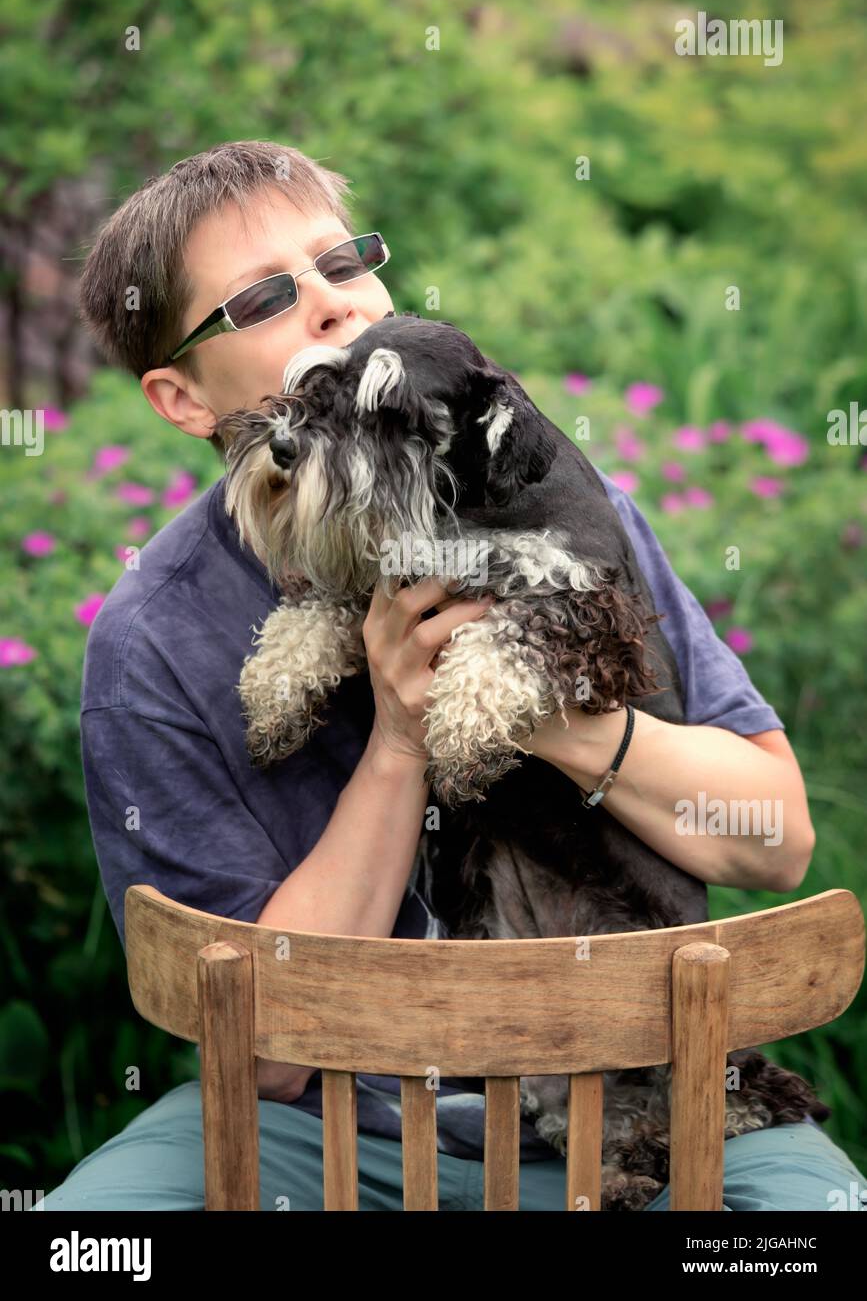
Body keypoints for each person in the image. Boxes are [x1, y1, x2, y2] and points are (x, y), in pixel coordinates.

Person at [39, 139, 865, 1211]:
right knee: (86, 1238)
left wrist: (559, 725)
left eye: (345, 260)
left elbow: (775, 841)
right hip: (337, 1126)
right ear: (182, 399)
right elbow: (273, 1056)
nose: (334, 304)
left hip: (645, 1082)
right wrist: (395, 737)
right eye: (261, 299)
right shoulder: (154, 639)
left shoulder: (560, 510)